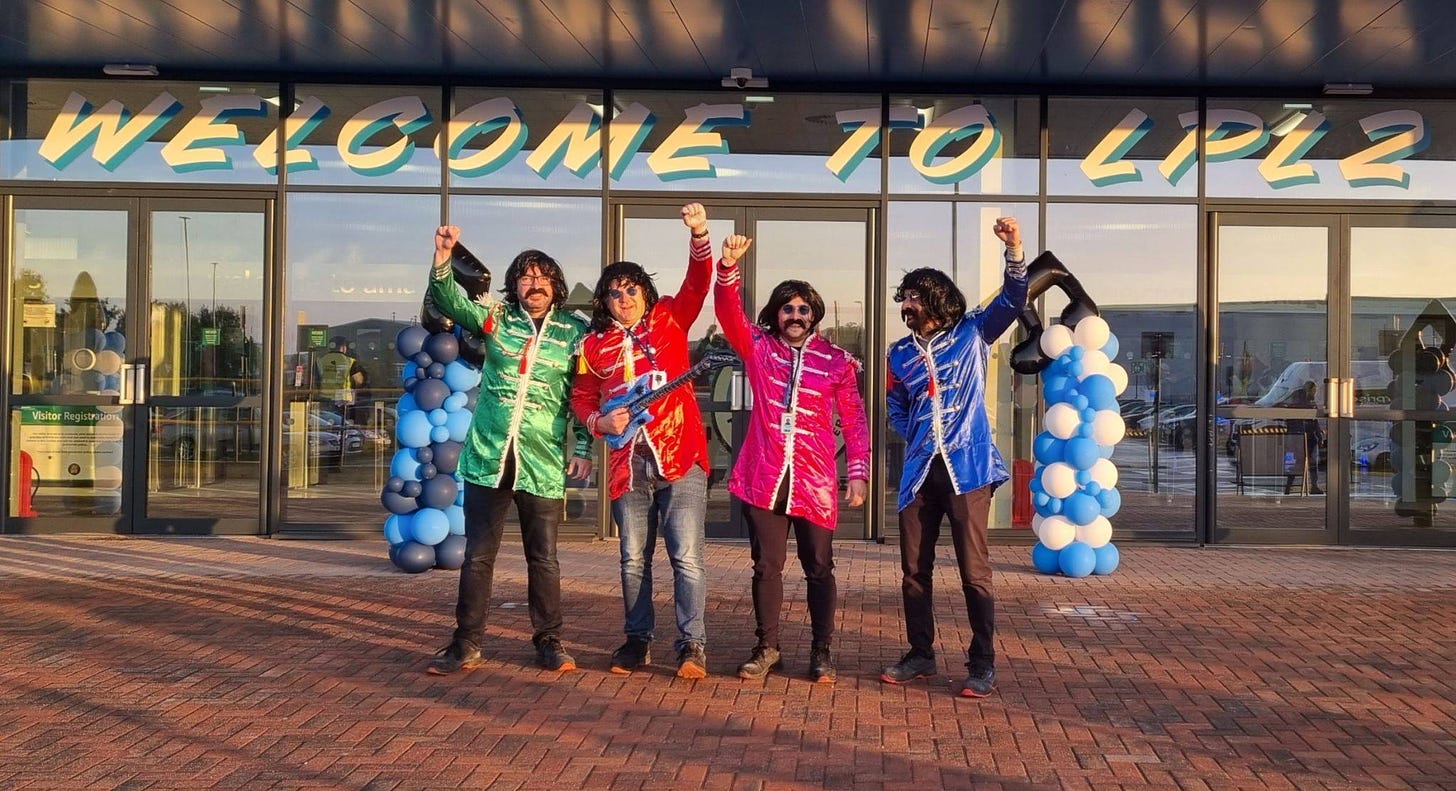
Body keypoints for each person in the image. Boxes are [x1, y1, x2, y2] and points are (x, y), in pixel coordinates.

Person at [424, 227, 593, 676]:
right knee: (479, 555)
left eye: (541, 277)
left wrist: (583, 445)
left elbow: (585, 392)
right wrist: (443, 257)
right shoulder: (498, 318)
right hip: (488, 457)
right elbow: (448, 301)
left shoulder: (577, 332)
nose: (533, 284)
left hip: (542, 460)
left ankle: (550, 641)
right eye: (524, 277)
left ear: (555, 284)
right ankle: (466, 642)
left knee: (545, 557)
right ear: (514, 285)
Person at [712, 234, 871, 683]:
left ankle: (822, 651)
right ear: (776, 315)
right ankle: (767, 647)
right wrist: (727, 267)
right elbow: (727, 311)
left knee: (819, 567)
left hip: (816, 481)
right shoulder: (759, 350)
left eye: (803, 309)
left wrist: (857, 474)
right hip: (764, 477)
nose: (795, 316)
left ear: (814, 315)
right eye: (787, 308)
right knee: (766, 566)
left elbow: (855, 421)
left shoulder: (837, 361)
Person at [882, 216, 1027, 698]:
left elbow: (1012, 301)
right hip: (920, 474)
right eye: (903, 297)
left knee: (974, 571)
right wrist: (919, 432)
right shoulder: (898, 353)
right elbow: (895, 405)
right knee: (913, 571)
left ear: (937, 299)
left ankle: (982, 662)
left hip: (968, 471)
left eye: (914, 296)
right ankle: (921, 653)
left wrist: (1013, 249)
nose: (906, 304)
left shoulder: (972, 333)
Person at [571, 202, 714, 678]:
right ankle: (637, 640)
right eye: (614, 293)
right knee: (633, 558)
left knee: (686, 557)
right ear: (604, 302)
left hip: (680, 456)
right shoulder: (592, 346)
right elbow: (582, 395)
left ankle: (692, 644)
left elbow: (698, 283)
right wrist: (596, 423)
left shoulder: (671, 318)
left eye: (631, 289)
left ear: (645, 292)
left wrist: (699, 234)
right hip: (625, 461)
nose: (623, 298)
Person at [315, 336, 365, 468]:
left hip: (324, 399)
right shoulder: (349, 361)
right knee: (341, 430)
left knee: (325, 429)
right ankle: (337, 462)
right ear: (343, 347)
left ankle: (324, 460)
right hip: (343, 401)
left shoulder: (321, 360)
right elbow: (359, 380)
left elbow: (316, 379)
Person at [1284, 381, 1325, 495]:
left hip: (1295, 436)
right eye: (1314, 391)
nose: (1315, 393)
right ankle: (1314, 485)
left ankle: (1288, 486)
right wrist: (1319, 436)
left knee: (1295, 462)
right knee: (1311, 461)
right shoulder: (1309, 405)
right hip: (1308, 436)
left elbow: (1289, 422)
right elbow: (1314, 422)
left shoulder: (1294, 404)